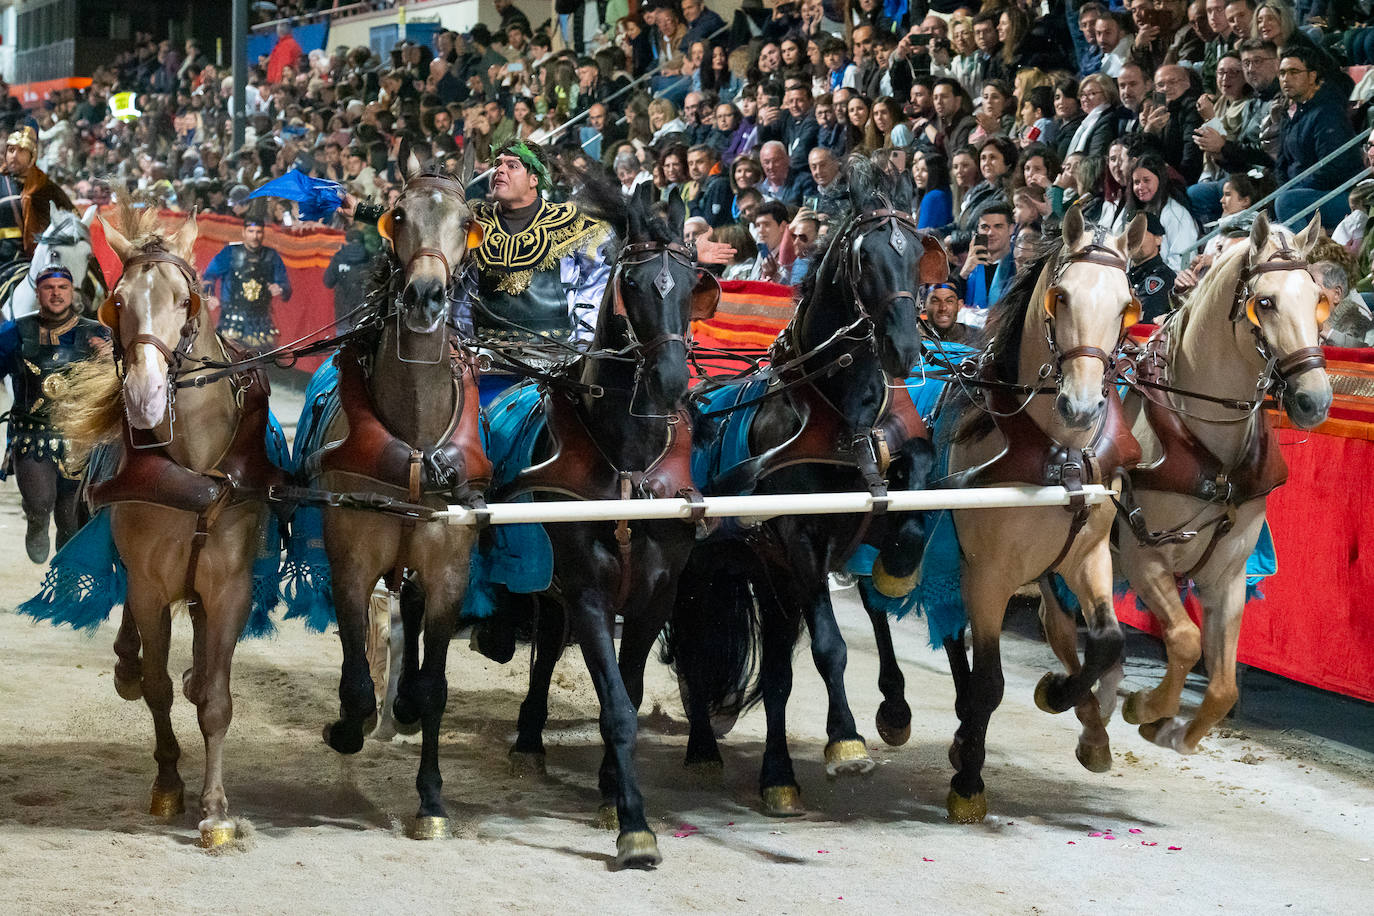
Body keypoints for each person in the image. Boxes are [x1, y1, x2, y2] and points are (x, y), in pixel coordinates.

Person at [453, 140, 612, 399]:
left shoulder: (572, 224)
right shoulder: (473, 225)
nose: (499, 170)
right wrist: (463, 348)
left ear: (534, 179)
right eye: (497, 165)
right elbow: (461, 295)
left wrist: (582, 350)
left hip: (558, 366)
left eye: (512, 165)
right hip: (488, 365)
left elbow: (595, 286)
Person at [0, 264, 109, 562]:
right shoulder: (16, 331)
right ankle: (35, 524)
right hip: (32, 436)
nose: (56, 293)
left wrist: (109, 360)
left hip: (80, 439)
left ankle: (65, 573)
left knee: (71, 520)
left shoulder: (96, 333)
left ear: (72, 292)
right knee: (39, 503)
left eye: (63, 287)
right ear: (38, 293)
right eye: (49, 288)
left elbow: (122, 381)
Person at [1273, 45, 1363, 231]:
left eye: (1294, 72)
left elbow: (1332, 168)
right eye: (1282, 73)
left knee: (1287, 202)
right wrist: (1284, 188)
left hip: (1341, 194)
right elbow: (1281, 164)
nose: (1286, 79)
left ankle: (1301, 250)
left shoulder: (1329, 112)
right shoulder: (1291, 114)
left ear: (1312, 76)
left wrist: (1293, 189)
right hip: (1304, 192)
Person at [202, 214, 292, 348]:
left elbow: (286, 286)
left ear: (263, 233)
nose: (255, 236)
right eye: (251, 231)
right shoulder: (229, 253)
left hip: (262, 323)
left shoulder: (271, 255)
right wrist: (209, 295)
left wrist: (280, 288)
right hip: (231, 322)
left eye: (258, 232)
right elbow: (209, 276)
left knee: (265, 358)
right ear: (244, 232)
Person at [0, 127, 75, 263]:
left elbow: (72, 220)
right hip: (4, 259)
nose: (14, 156)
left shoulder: (46, 187)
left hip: (44, 259)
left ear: (32, 156)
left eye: (21, 151)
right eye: (11, 150)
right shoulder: (1, 183)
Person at [959, 203, 1016, 317]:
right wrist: (964, 273)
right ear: (978, 230)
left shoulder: (1017, 265)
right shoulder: (970, 267)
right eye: (985, 227)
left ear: (1011, 229)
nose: (990, 233)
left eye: (998, 226)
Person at [1128, 213, 1177, 323]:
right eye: (1128, 233)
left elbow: (1142, 318)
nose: (1132, 240)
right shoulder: (1127, 276)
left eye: (1139, 234)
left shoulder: (1162, 277)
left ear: (1158, 239)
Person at [323, 227, 372, 332]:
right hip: (365, 314)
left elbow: (328, 282)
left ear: (346, 241)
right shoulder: (370, 257)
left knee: (344, 340)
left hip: (343, 315)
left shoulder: (338, 257)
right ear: (362, 241)